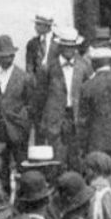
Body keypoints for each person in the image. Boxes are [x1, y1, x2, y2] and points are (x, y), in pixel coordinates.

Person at [34, 28, 92, 167]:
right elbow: (40, 97)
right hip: (55, 120)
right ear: (60, 46)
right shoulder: (48, 68)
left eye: (72, 46)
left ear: (76, 47)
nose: (69, 50)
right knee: (57, 160)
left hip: (76, 118)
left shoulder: (84, 66)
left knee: (76, 160)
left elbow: (88, 94)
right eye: (66, 46)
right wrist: (43, 123)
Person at [0, 34, 35, 189]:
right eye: (2, 56)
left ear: (13, 55)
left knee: (22, 166)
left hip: (18, 130)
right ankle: (4, 199)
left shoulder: (24, 77)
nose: (5, 59)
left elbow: (31, 104)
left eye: (8, 56)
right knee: (0, 168)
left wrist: (22, 121)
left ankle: (24, 199)